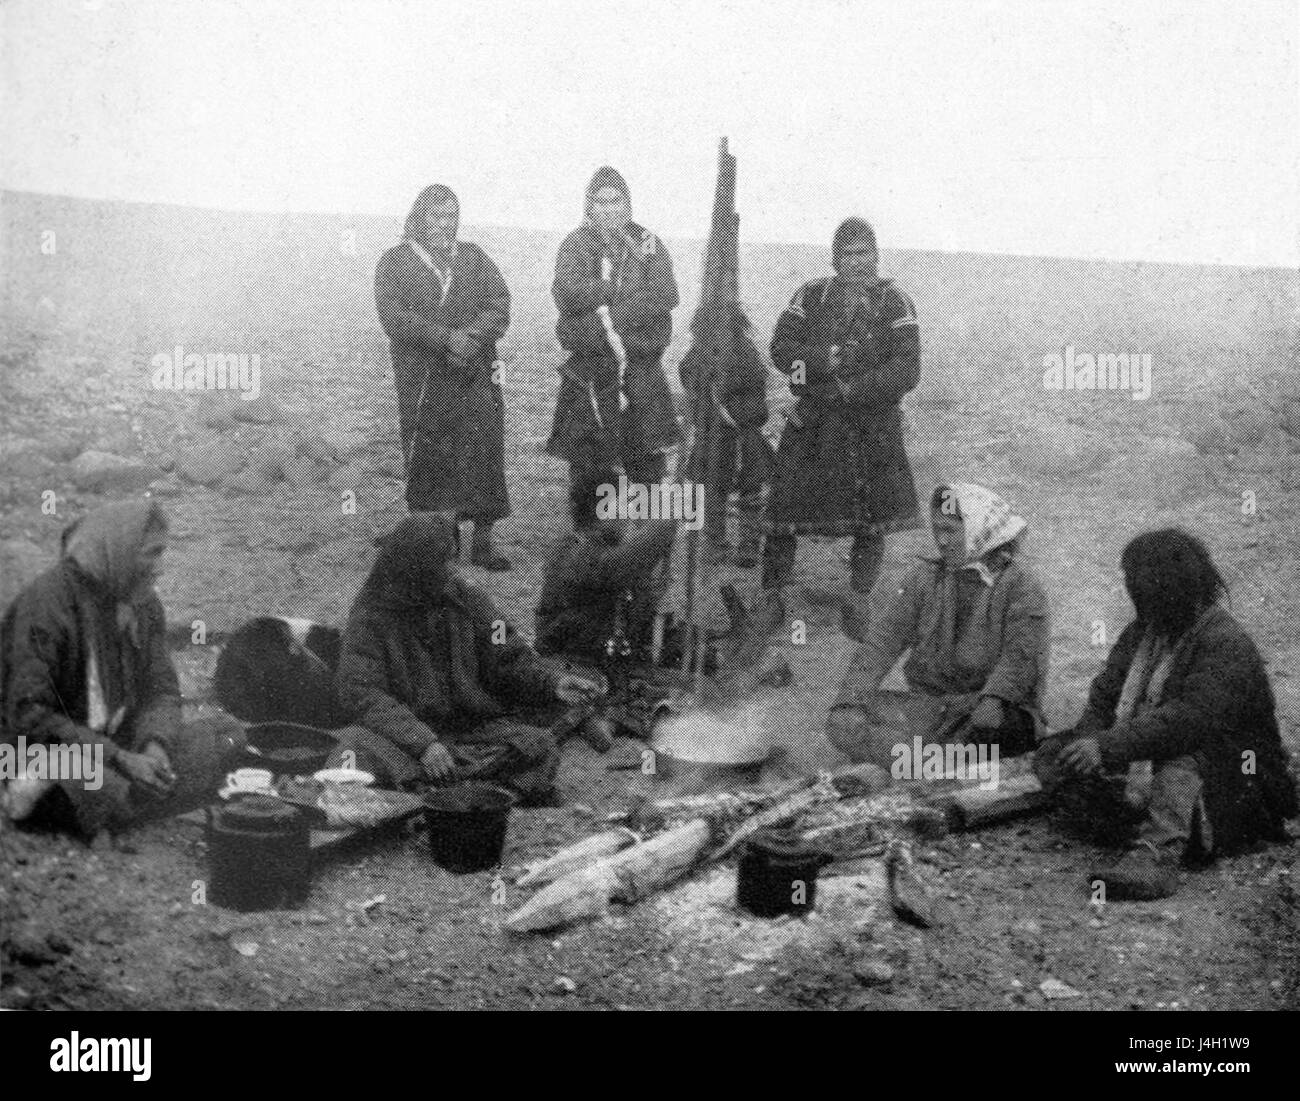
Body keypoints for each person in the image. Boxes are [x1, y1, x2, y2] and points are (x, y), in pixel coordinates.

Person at [1034, 529, 1296, 901]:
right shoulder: (1143, 632)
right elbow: (1105, 696)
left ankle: (1158, 854)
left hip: (1236, 777)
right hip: (1149, 755)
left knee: (1182, 759)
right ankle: (1131, 817)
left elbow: (1189, 720)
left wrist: (1106, 748)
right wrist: (1088, 739)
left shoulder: (1225, 642)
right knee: (1055, 752)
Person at [0, 500, 242, 838]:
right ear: (119, 549)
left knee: (226, 734)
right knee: (97, 784)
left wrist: (154, 746)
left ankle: (124, 799)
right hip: (49, 752)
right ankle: (112, 797)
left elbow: (162, 690)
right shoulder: (46, 606)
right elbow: (28, 714)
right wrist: (119, 759)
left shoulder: (142, 604)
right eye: (151, 554)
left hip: (118, 744)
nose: (159, 568)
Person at [329, 514, 602, 806]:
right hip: (406, 740)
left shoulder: (468, 597)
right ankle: (478, 790)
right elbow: (360, 691)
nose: (452, 570)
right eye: (443, 561)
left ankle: (447, 793)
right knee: (352, 747)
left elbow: (507, 654)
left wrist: (552, 683)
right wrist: (424, 743)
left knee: (540, 743)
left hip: (471, 731)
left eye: (452, 559)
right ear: (416, 567)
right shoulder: (371, 613)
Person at [763, 217, 921, 638]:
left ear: (876, 255)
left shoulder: (896, 303)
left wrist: (852, 389)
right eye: (848, 255)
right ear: (835, 259)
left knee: (870, 518)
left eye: (865, 253)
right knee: (783, 511)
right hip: (815, 418)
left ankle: (859, 597)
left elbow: (906, 369)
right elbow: (783, 351)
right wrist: (823, 359)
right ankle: (772, 595)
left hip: (872, 423)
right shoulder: (810, 296)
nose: (858, 263)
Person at [826, 484, 1050, 769]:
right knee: (843, 721)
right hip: (932, 708)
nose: (941, 541)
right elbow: (882, 643)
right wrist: (850, 701)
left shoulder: (1021, 585)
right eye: (936, 530)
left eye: (951, 531)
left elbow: (1022, 658)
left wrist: (994, 698)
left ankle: (919, 762)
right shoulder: (924, 578)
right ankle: (931, 763)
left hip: (987, 711)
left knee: (997, 728)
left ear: (977, 528)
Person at [375, 183, 514, 570]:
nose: (443, 226)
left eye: (450, 216)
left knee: (483, 448)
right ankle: (443, 541)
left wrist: (471, 338)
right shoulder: (395, 262)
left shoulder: (473, 258)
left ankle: (483, 542)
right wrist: (444, 339)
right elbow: (394, 317)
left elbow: (499, 303)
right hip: (424, 376)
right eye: (435, 217)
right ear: (419, 219)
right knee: (432, 455)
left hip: (474, 371)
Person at [547, 166, 680, 492]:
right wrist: (609, 290)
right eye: (601, 202)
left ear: (628, 203)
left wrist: (614, 317)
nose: (609, 210)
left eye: (616, 201)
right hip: (590, 367)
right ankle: (590, 532)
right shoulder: (576, 243)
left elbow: (665, 293)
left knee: (645, 458)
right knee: (588, 460)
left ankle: (647, 536)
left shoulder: (646, 242)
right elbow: (566, 291)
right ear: (589, 206)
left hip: (639, 365)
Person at [678, 300, 772, 567]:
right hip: (713, 436)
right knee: (712, 490)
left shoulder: (746, 352)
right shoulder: (699, 354)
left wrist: (736, 409)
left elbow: (758, 396)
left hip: (744, 435)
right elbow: (687, 374)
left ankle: (749, 545)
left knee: (751, 492)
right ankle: (715, 542)